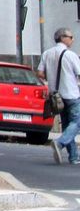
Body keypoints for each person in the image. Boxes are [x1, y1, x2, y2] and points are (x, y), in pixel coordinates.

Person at [38, 28, 80, 165]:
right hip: (71, 93)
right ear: (63, 38)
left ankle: (73, 157)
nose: (72, 39)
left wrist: (52, 77)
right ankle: (60, 142)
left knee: (67, 124)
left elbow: (40, 73)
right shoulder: (70, 55)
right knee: (77, 123)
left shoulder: (47, 54)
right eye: (71, 37)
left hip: (56, 96)